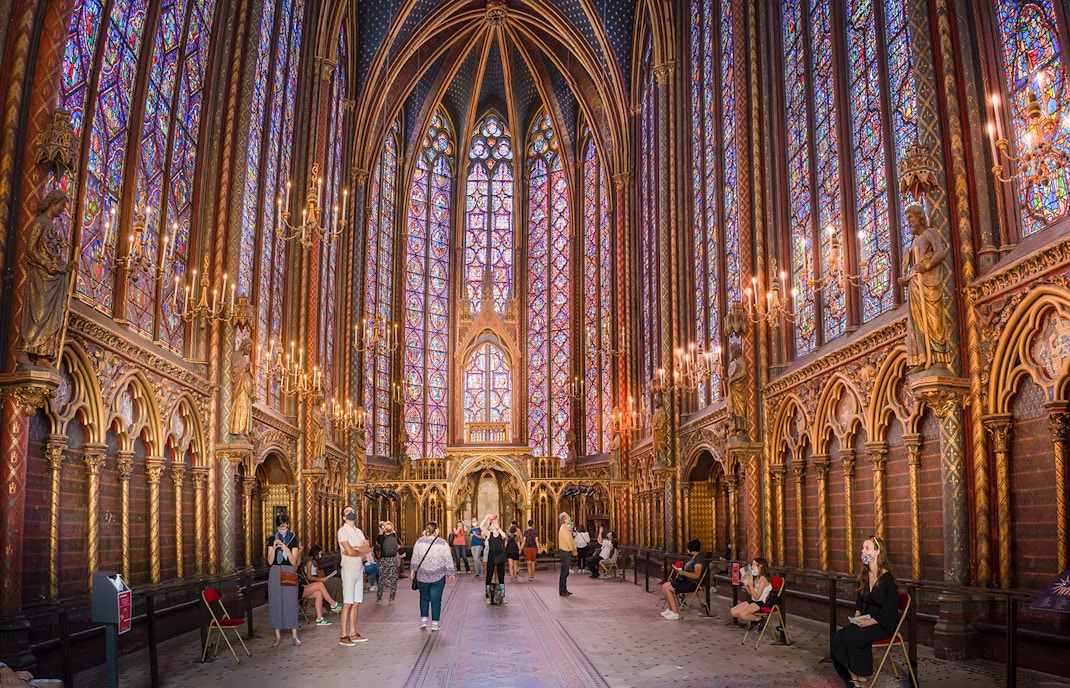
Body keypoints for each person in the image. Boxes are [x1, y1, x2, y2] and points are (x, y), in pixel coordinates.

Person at [831, 536, 899, 687]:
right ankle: (854, 681)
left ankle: (861, 680)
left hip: (882, 624)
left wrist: (870, 621)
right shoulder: (865, 575)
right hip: (866, 619)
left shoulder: (888, 580)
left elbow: (890, 613)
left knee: (853, 639)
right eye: (863, 548)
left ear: (877, 552)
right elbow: (860, 601)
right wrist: (857, 615)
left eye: (867, 548)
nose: (862, 551)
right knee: (840, 637)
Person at [18, 189, 70, 367]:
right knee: (36, 313)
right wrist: (45, 264)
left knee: (51, 315)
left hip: (53, 278)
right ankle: (24, 350)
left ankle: (43, 354)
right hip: (40, 277)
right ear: (52, 203)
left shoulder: (53, 227)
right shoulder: (40, 222)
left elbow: (54, 254)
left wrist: (66, 267)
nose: (63, 209)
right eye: (62, 204)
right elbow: (30, 249)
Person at [899, 204, 952, 373]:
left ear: (920, 217)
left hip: (929, 284)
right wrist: (905, 279)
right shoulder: (913, 242)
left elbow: (940, 253)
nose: (909, 223)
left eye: (911, 218)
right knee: (917, 323)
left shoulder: (930, 234)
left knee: (933, 320)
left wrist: (926, 265)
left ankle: (938, 357)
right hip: (915, 286)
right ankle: (922, 359)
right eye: (907, 219)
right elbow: (914, 266)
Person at [411, 521, 455, 631]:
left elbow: (415, 556)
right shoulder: (442, 542)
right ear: (435, 530)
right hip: (438, 575)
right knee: (436, 599)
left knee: (424, 597)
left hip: (422, 575)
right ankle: (435, 623)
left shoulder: (419, 542)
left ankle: (424, 621)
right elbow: (448, 558)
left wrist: (413, 570)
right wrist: (450, 572)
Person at [337, 505, 371, 646]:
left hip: (358, 568)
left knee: (356, 603)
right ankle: (343, 635)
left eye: (352, 511)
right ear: (344, 517)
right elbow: (348, 552)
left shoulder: (358, 531)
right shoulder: (342, 531)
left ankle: (353, 632)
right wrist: (357, 550)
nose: (351, 513)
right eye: (348, 512)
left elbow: (366, 550)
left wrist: (355, 549)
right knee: (348, 602)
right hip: (348, 569)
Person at [266, 515, 301, 646]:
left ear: (288, 525)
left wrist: (286, 548)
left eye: (285, 526)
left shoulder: (293, 539)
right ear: (277, 526)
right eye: (280, 526)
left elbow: (293, 561)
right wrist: (274, 548)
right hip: (275, 571)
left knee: (290, 601)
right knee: (275, 602)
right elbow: (270, 561)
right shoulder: (271, 539)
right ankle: (277, 636)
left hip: (288, 571)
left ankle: (294, 635)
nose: (283, 528)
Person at [660, 539, 707, 620]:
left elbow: (696, 575)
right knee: (665, 585)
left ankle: (675, 613)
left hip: (692, 583)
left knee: (668, 588)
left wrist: (683, 572)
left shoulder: (699, 559)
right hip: (686, 580)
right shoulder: (693, 558)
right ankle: (670, 609)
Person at [730, 556, 773, 629]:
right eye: (752, 565)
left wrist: (750, 585)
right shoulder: (757, 578)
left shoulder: (763, 580)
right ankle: (755, 619)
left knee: (743, 615)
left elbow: (757, 597)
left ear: (760, 566)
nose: (752, 567)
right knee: (733, 612)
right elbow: (752, 595)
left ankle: (760, 620)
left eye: (754, 565)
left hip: (761, 602)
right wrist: (745, 584)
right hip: (753, 600)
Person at [228, 338, 254, 436]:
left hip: (246, 388)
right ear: (244, 345)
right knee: (239, 407)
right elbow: (235, 371)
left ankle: (243, 431)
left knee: (245, 409)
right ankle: (237, 430)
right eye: (249, 347)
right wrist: (245, 369)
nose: (250, 349)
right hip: (240, 387)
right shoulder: (236, 356)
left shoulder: (244, 358)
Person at [484, 518, 508, 604]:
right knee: (489, 576)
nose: (494, 524)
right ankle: (488, 596)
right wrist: (487, 518)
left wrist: (498, 528)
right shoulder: (489, 534)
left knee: (501, 576)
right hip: (491, 556)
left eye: (496, 522)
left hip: (500, 556)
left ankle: (502, 596)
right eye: (493, 523)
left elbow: (504, 536)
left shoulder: (500, 533)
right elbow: (481, 527)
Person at [376, 521, 400, 604]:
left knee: (382, 579)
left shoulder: (381, 537)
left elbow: (378, 544)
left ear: (384, 529)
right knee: (393, 579)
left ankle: (379, 598)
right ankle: (392, 598)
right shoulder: (393, 536)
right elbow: (393, 531)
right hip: (393, 559)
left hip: (384, 559)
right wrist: (389, 524)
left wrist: (381, 529)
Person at [557, 512, 577, 597]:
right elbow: (569, 541)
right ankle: (562, 591)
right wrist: (573, 550)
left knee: (565, 572)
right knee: (564, 572)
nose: (570, 519)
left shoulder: (566, 527)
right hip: (565, 552)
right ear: (564, 520)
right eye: (568, 517)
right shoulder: (564, 528)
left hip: (566, 552)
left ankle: (564, 589)